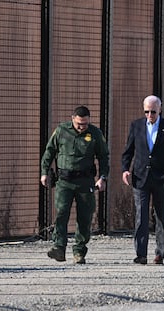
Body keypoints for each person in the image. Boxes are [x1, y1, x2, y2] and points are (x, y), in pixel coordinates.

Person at [40, 106, 110, 264]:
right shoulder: (61, 131)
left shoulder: (95, 133)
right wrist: (44, 172)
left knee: (85, 217)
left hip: (85, 182)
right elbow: (49, 151)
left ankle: (79, 251)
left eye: (85, 124)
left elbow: (104, 157)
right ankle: (59, 247)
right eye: (79, 124)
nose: (81, 127)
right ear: (73, 119)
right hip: (64, 181)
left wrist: (103, 177)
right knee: (61, 213)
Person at [122, 95, 164, 265]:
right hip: (140, 177)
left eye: (153, 111)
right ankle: (141, 254)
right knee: (141, 215)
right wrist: (126, 169)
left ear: (160, 110)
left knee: (160, 215)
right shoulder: (136, 126)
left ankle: (160, 253)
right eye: (146, 111)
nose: (150, 115)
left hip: (161, 177)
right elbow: (128, 151)